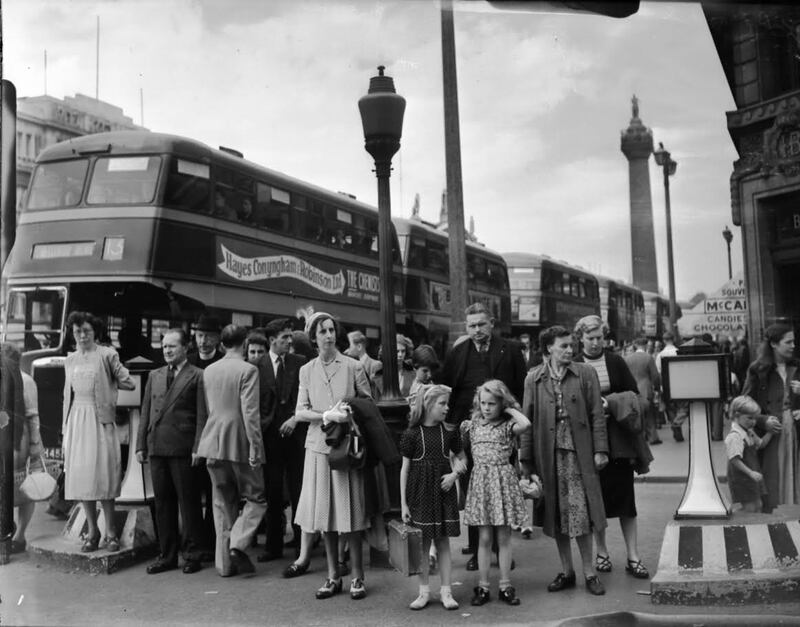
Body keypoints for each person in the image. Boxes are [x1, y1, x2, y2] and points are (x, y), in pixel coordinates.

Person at [520, 325, 609, 596]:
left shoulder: (586, 374)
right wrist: (526, 462)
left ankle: (590, 572)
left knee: (581, 514)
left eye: (571, 345)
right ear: (549, 348)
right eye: (564, 346)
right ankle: (567, 571)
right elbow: (527, 422)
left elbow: (596, 415)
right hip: (547, 455)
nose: (570, 350)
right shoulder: (533, 379)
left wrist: (600, 449)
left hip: (578, 453)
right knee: (556, 514)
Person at [439, 302, 527, 570]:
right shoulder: (458, 353)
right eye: (472, 326)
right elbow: (449, 392)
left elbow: (522, 390)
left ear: (491, 323)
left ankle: (502, 554)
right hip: (468, 433)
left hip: (502, 434)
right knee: (473, 492)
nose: (477, 330)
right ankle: (478, 553)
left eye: (481, 324)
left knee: (500, 491)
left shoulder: (510, 350)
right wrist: (451, 432)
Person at [293, 312, 372, 600]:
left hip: (346, 448)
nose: (329, 335)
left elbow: (368, 402)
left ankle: (358, 577)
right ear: (313, 337)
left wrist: (350, 410)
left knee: (349, 516)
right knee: (324, 517)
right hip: (317, 448)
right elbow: (300, 410)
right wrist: (325, 414)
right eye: (323, 331)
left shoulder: (352, 366)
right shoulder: (307, 370)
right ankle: (332, 576)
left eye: (331, 330)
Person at [573, 315, 651, 580]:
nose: (596, 343)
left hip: (618, 444)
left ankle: (633, 555)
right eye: (590, 338)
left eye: (600, 338)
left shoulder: (616, 362)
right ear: (580, 339)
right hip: (588, 442)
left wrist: (610, 404)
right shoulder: (574, 364)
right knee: (597, 501)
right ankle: (602, 552)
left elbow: (636, 397)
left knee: (626, 501)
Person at [62, 311, 136, 552]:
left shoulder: (106, 354)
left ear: (95, 333)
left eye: (86, 331)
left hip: (100, 420)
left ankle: (111, 532)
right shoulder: (70, 359)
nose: (82, 335)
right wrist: (65, 429)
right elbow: (67, 396)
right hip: (77, 421)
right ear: (72, 334)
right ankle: (93, 532)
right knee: (83, 476)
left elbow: (129, 382)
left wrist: (111, 383)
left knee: (103, 474)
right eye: (77, 331)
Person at [196, 324, 266, 577]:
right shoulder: (248, 370)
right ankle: (238, 544)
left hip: (212, 442)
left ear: (222, 344)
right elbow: (250, 414)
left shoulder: (209, 370)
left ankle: (224, 565)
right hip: (239, 442)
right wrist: (256, 448)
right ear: (245, 343)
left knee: (221, 503)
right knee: (256, 499)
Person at [136, 329, 208, 575]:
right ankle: (166, 556)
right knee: (163, 504)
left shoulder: (198, 376)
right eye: (164, 346)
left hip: (183, 448)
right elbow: (145, 412)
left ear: (185, 348)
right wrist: (140, 445)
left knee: (189, 504)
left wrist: (199, 447)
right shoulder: (154, 375)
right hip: (157, 446)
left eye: (172, 346)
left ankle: (192, 554)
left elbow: (202, 416)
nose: (166, 351)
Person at [461, 380, 530, 606]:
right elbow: (457, 449)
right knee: (484, 537)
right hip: (481, 483)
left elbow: (526, 424)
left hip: (502, 482)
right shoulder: (471, 426)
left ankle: (505, 585)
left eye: (492, 403)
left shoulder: (508, 425)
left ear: (501, 404)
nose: (487, 408)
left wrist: (509, 408)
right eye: (483, 403)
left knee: (503, 537)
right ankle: (482, 586)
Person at [399, 384, 467, 611]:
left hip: (443, 491)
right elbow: (405, 469)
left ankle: (446, 592)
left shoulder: (449, 431)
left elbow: (462, 458)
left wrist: (454, 474)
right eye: (442, 403)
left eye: (447, 403)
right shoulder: (411, 434)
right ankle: (424, 592)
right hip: (419, 493)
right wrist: (403, 504)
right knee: (422, 544)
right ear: (428, 405)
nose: (447, 408)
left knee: (444, 543)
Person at [254, 318, 307, 564]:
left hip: (296, 437)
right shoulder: (257, 366)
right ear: (272, 340)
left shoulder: (300, 363)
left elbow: (306, 399)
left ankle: (301, 545)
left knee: (299, 492)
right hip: (270, 437)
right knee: (273, 493)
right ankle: (273, 546)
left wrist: (295, 419)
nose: (290, 340)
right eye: (285, 337)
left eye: (290, 336)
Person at [741, 323, 800, 512]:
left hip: (796, 429)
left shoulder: (797, 366)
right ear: (774, 344)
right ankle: (775, 513)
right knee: (773, 473)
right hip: (771, 433)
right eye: (788, 342)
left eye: (794, 341)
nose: (793, 345)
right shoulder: (758, 370)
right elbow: (743, 406)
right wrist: (763, 420)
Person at [186, 313, 225, 556]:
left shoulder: (222, 363)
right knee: (191, 492)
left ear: (217, 338)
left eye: (209, 336)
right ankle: (195, 542)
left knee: (215, 492)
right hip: (190, 438)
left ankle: (213, 543)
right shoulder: (188, 362)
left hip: (216, 437)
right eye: (200, 336)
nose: (203, 341)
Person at [1, 343, 43, 554]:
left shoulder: (26, 380)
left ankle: (17, 535)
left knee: (22, 483)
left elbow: (33, 414)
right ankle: (16, 533)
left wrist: (35, 446)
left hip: (18, 436)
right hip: (12, 435)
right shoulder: (25, 379)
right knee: (21, 486)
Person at [725, 395, 772, 513]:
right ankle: (736, 524)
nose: (753, 422)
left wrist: (771, 432)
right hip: (742, 477)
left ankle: (751, 528)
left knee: (758, 504)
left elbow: (760, 444)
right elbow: (734, 459)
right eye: (749, 418)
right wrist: (750, 473)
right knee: (749, 507)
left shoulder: (748, 431)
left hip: (752, 475)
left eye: (755, 418)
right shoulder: (735, 436)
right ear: (737, 416)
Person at [624, 337, 662, 445]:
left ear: (635, 345)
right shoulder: (648, 358)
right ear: (645, 346)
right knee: (649, 414)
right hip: (646, 389)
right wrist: (657, 388)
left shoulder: (628, 358)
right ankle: (653, 437)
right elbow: (655, 376)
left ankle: (640, 438)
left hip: (632, 390)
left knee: (637, 414)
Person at [655, 331, 686, 442]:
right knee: (682, 407)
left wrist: (659, 387)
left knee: (670, 409)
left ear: (664, 341)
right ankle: (677, 425)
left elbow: (658, 373)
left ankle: (675, 426)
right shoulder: (679, 352)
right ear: (673, 339)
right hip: (680, 384)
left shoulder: (660, 355)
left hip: (666, 386)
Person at [345, 330, 382, 397]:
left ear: (359, 347)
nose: (346, 351)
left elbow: (377, 394)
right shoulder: (349, 365)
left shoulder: (376, 365)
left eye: (349, 346)